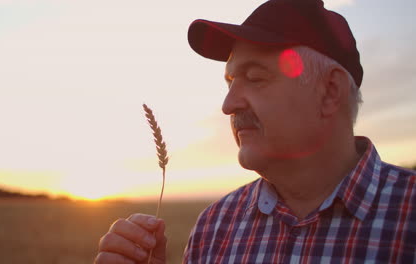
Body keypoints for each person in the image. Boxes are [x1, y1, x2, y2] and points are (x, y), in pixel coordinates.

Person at [95, 0, 416, 263]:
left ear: (330, 91)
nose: (228, 104)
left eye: (256, 77)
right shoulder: (214, 229)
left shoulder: (408, 217)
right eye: (231, 82)